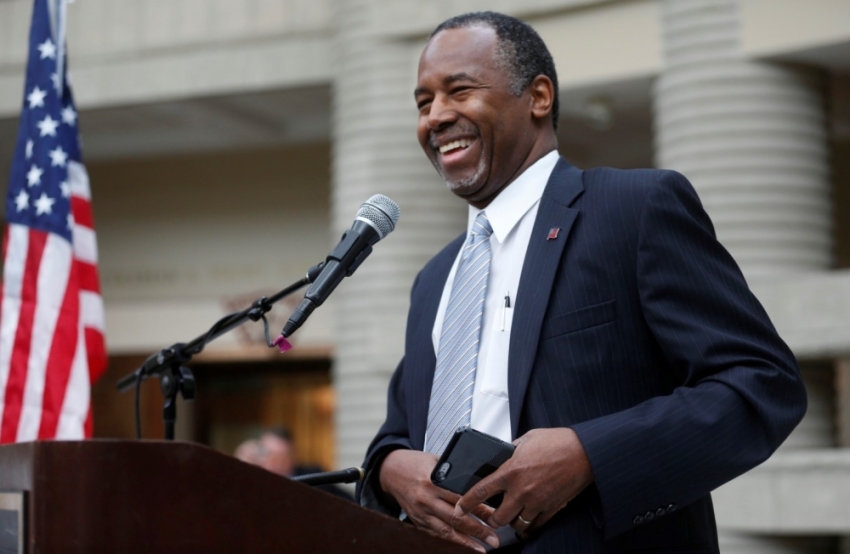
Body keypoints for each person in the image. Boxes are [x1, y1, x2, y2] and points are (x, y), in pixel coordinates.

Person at [356, 11, 807, 554]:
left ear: (538, 96)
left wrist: (588, 454)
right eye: (424, 103)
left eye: (460, 91)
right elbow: (398, 433)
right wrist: (390, 469)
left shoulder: (633, 210)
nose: (436, 116)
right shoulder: (434, 279)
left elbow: (761, 384)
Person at [235, 428, 354, 502]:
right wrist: (241, 466)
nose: (273, 462)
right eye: (267, 453)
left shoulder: (313, 476)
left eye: (281, 457)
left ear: (293, 457)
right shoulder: (255, 477)